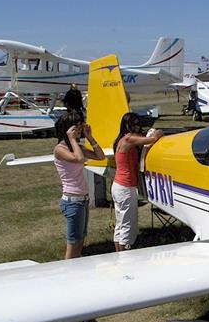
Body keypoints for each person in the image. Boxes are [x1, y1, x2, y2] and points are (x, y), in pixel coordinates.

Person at [53, 111, 105, 259]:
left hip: (82, 200)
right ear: (68, 129)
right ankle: (69, 276)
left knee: (80, 243)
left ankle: (76, 274)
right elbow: (79, 159)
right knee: (73, 247)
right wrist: (71, 139)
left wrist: (90, 138)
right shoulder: (60, 149)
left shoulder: (76, 147)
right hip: (72, 202)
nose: (79, 131)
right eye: (76, 128)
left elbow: (100, 156)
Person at [111, 112, 163, 251]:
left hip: (119, 185)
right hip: (125, 187)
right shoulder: (129, 139)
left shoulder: (123, 139)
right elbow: (154, 138)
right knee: (128, 225)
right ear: (128, 125)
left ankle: (118, 253)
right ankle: (125, 256)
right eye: (134, 123)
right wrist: (157, 131)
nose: (138, 126)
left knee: (121, 224)